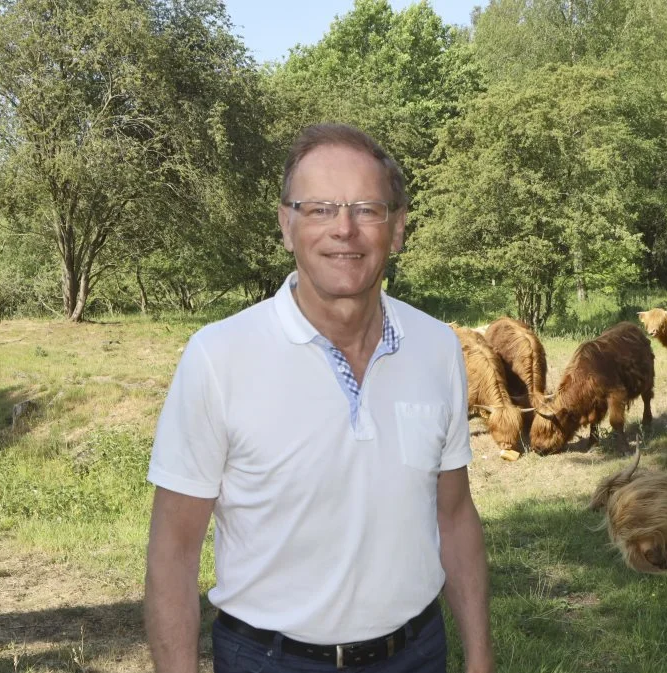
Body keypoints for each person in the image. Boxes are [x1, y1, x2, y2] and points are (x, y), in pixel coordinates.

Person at [144, 123, 495, 673]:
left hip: (416, 655)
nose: (345, 230)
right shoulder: (218, 357)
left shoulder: (437, 348)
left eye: (367, 209)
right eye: (320, 209)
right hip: (268, 660)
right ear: (287, 225)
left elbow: (454, 517)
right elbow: (173, 552)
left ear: (397, 228)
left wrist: (479, 658)